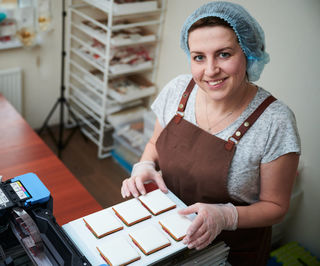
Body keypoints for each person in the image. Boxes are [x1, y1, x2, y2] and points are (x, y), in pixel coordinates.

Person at [120, 1, 301, 265]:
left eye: (224, 54)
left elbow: (276, 207)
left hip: (230, 251)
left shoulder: (275, 121)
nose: (210, 70)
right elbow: (154, 142)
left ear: (248, 53)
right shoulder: (177, 90)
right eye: (199, 57)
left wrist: (226, 216)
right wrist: (146, 163)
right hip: (167, 236)